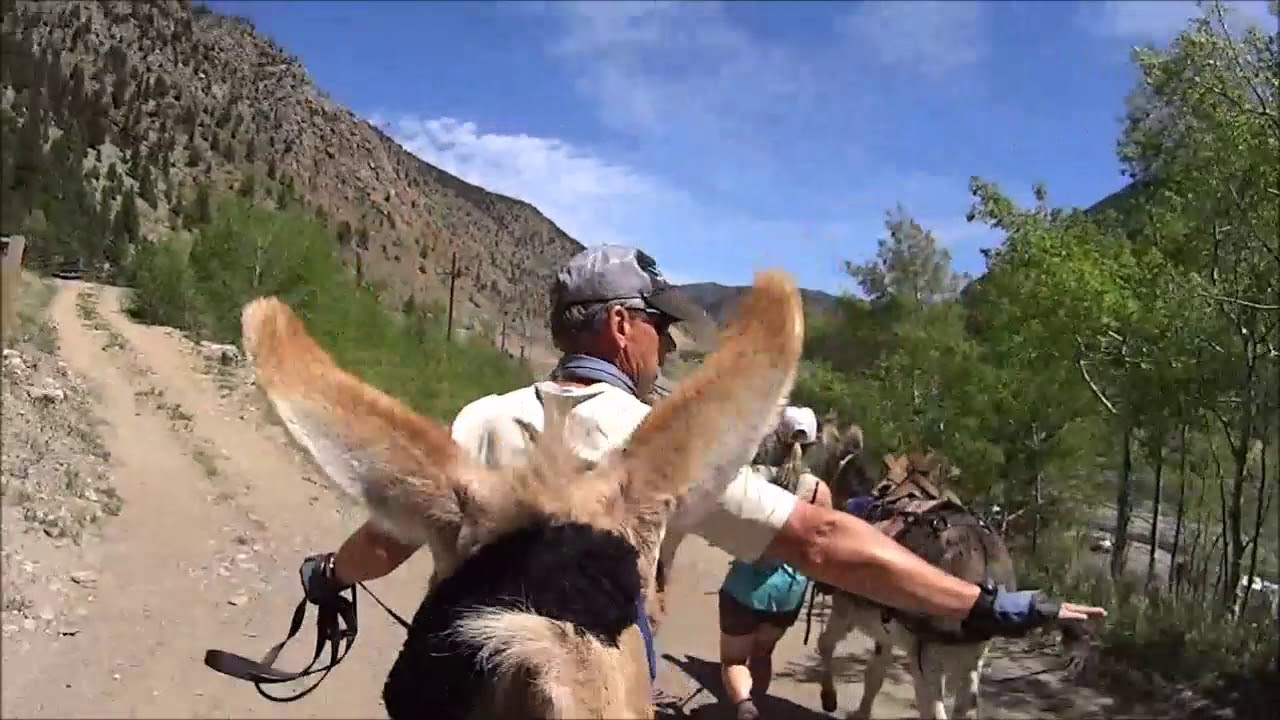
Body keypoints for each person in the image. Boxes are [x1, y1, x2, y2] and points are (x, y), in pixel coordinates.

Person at [299, 244, 1106, 693]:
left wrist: (328, 577)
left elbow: (385, 540)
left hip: (460, 688)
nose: (667, 345)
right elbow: (820, 539)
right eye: (658, 326)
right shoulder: (656, 441)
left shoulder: (478, 418)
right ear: (620, 326)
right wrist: (995, 605)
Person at [718, 409, 831, 720]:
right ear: (812, 445)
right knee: (763, 652)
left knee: (734, 660)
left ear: (775, 436)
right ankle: (758, 704)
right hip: (788, 592)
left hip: (744, 584)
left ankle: (744, 705)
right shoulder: (820, 492)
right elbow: (824, 543)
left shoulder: (751, 477)